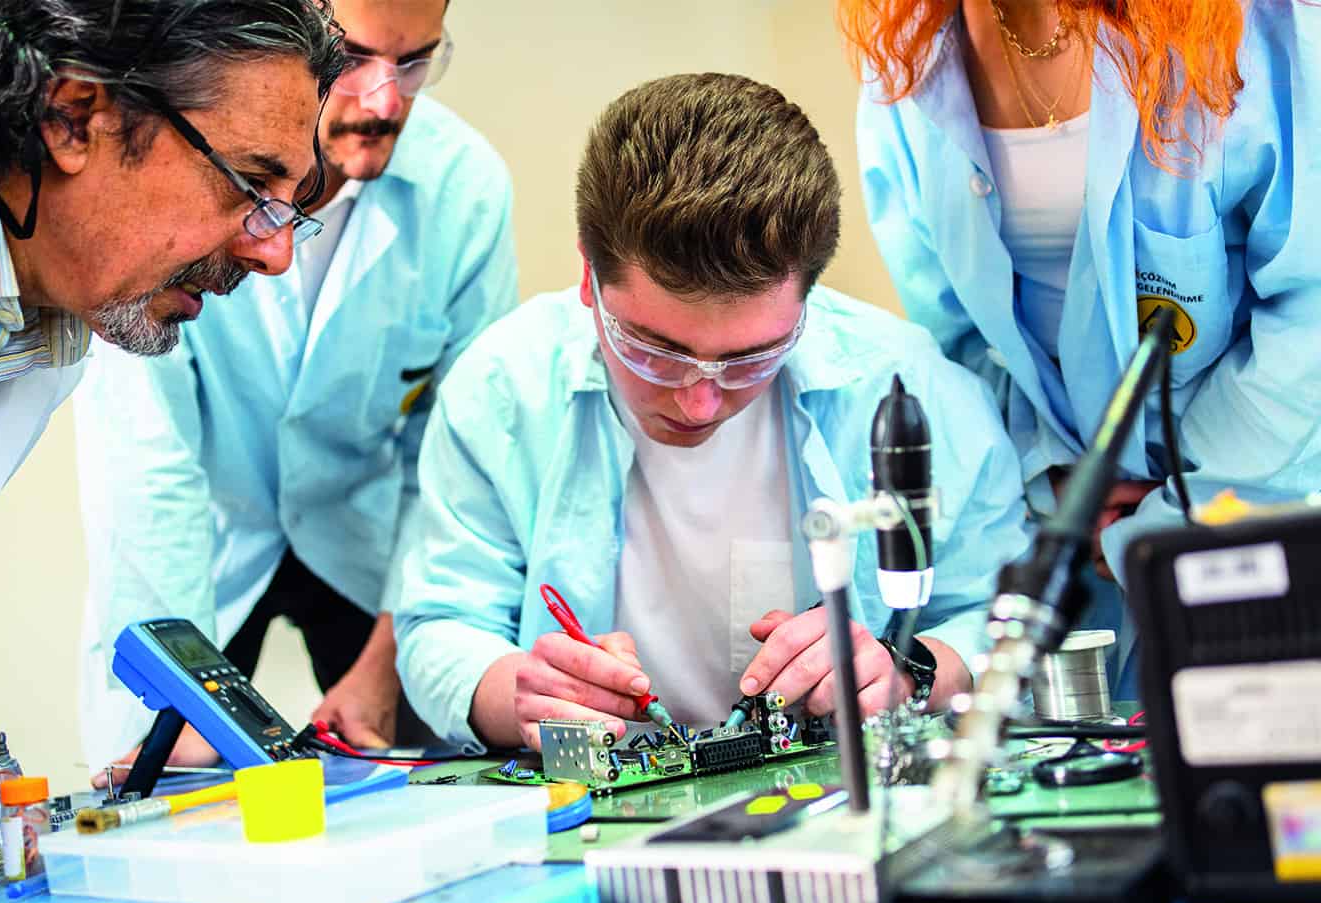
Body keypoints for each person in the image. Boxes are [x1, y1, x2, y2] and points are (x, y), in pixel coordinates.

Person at [394, 73, 1031, 751]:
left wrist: (908, 673)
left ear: (806, 303)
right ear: (588, 278)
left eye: (749, 359)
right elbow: (441, 621)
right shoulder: (501, 389)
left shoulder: (910, 391)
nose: (698, 401)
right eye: (655, 351)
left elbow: (1005, 617)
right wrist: (510, 691)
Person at [843, 0, 1321, 693]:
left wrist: (1174, 513)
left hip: (1279, 518)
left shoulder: (1275, 17)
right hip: (1080, 545)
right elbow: (956, 330)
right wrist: (1051, 474)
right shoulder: (905, 43)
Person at [75, 0, 517, 769]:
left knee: (419, 783)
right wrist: (178, 699)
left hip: (370, 542)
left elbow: (450, 457)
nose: (384, 102)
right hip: (207, 535)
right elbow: (150, 460)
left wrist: (386, 667)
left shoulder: (464, 188)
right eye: (352, 57)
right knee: (168, 781)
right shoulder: (177, 168)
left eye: (414, 62)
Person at [0, 0, 345, 718]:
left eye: (290, 207)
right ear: (74, 117)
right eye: (251, 185)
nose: (275, 252)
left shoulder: (42, 318)